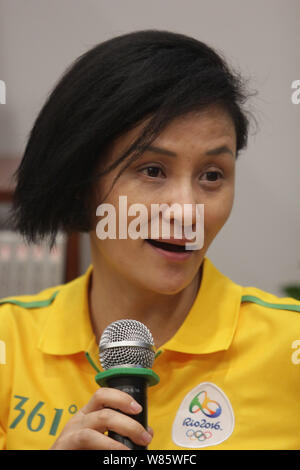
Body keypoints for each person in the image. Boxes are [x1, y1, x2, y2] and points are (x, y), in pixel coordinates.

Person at [0, 29, 299, 451]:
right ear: (81, 182)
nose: (186, 210)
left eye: (212, 175)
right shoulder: (8, 342)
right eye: (153, 171)